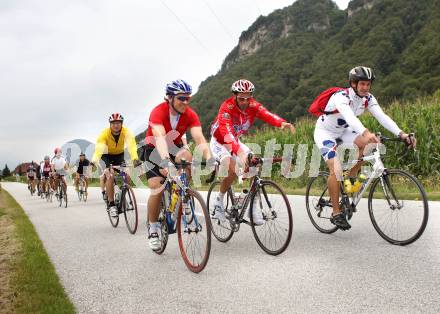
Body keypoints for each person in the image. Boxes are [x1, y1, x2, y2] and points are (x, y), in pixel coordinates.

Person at [313, 66, 416, 230]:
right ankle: (336, 212)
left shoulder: (367, 98)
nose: (366, 88)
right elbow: (349, 117)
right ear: (353, 83)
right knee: (336, 170)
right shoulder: (341, 97)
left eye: (368, 84)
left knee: (372, 144)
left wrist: (402, 134)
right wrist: (366, 132)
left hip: (344, 132)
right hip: (325, 133)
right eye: (362, 84)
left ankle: (351, 174)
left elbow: (382, 116)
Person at [210, 79, 295, 225]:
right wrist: (239, 153)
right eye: (241, 98)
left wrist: (281, 123)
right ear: (235, 95)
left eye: (248, 98)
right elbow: (227, 133)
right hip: (220, 141)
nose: (244, 101)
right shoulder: (226, 107)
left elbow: (267, 114)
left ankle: (253, 208)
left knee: (254, 164)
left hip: (235, 140)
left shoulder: (253, 105)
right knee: (231, 170)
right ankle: (219, 202)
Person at [144, 79, 212, 251]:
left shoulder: (190, 114)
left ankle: (182, 195)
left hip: (175, 147)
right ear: (170, 98)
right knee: (156, 186)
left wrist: (210, 158)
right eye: (181, 98)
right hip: (154, 148)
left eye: (188, 98)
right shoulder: (158, 112)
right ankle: (153, 228)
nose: (185, 102)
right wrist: (166, 161)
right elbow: (159, 137)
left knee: (188, 158)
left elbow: (198, 137)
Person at [91, 113, 141, 217]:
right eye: (113, 123)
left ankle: (123, 195)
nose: (116, 125)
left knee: (127, 175)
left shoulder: (126, 132)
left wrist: (135, 159)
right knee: (110, 175)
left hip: (119, 155)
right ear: (110, 124)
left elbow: (132, 146)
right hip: (106, 156)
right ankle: (111, 204)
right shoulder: (104, 134)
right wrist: (93, 162)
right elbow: (98, 150)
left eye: (118, 123)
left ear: (121, 124)